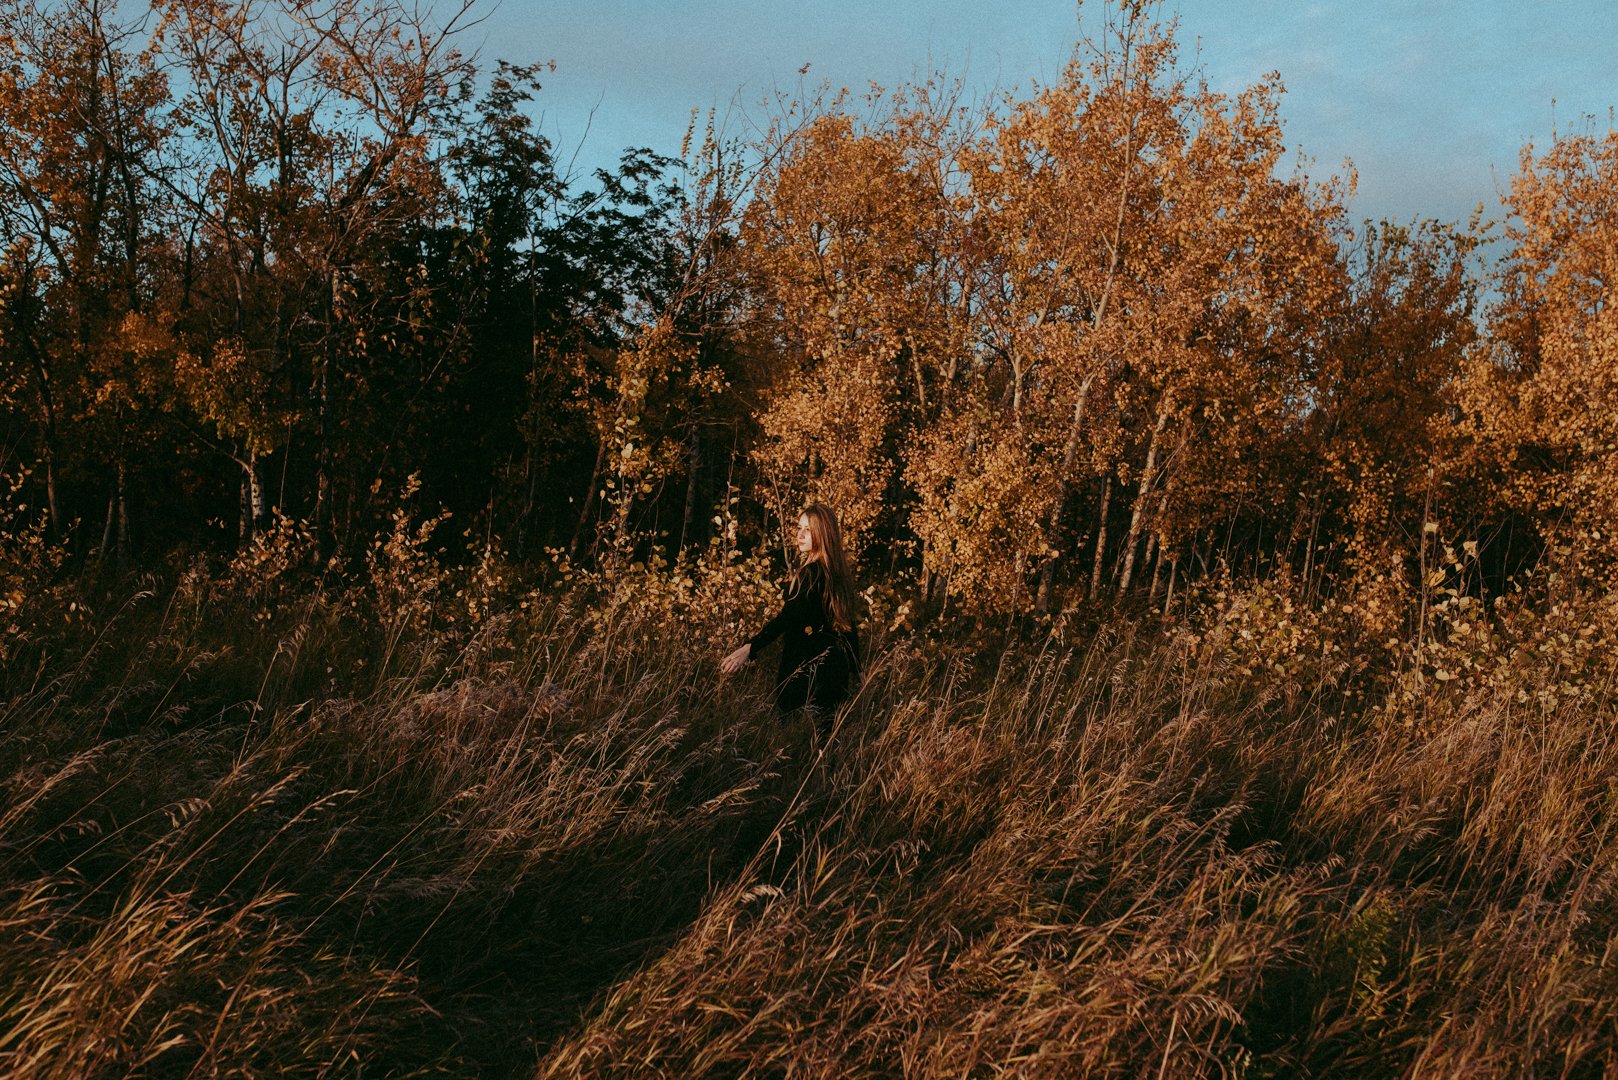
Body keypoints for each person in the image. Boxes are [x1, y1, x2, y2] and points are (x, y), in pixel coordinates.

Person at [721, 503, 861, 725]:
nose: (800, 534)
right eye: (799, 527)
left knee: (795, 744)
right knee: (825, 746)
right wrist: (858, 673)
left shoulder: (811, 574)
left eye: (808, 529)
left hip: (804, 671)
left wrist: (750, 647)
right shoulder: (838, 574)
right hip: (835, 672)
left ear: (822, 533)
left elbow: (787, 618)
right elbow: (849, 628)